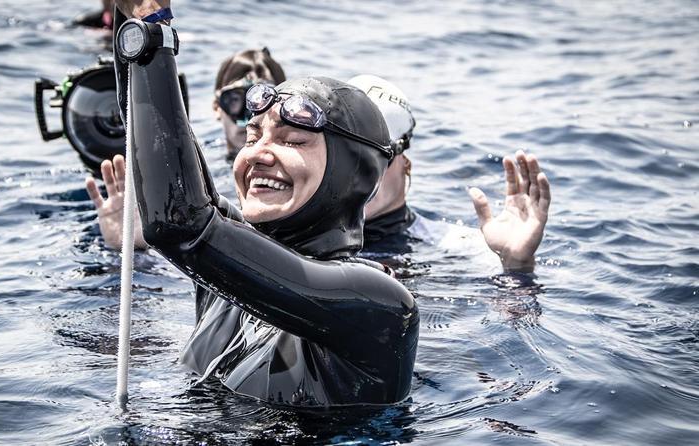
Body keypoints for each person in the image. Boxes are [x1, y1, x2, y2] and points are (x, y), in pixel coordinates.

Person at [111, 3, 418, 406]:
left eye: (291, 140)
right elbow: (154, 144)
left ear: (350, 172)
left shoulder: (379, 305)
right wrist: (130, 16)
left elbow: (179, 221)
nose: (257, 154)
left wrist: (153, 28)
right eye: (252, 136)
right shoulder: (225, 271)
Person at [86, 48, 285, 250]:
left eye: (262, 103)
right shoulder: (189, 170)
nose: (248, 118)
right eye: (235, 100)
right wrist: (134, 247)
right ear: (217, 106)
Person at [349, 75, 550, 273]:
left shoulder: (462, 247)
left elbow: (512, 303)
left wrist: (516, 265)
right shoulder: (317, 240)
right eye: (348, 156)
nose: (361, 174)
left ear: (405, 164)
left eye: (379, 157)